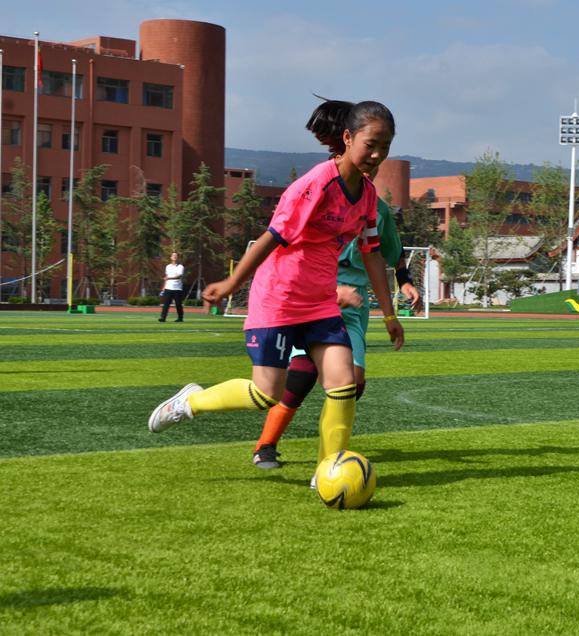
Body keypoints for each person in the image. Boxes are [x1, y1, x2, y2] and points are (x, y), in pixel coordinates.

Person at [148, 99, 404, 481]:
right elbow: (271, 237)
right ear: (348, 138)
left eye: (385, 146)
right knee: (264, 394)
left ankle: (328, 471)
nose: (377, 154)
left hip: (320, 304)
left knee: (343, 383)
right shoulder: (315, 185)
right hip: (280, 298)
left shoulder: (366, 195)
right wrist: (232, 283)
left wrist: (389, 314)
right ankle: (191, 402)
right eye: (371, 144)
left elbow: (372, 254)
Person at [251, 166, 421, 470]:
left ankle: (329, 460)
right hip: (312, 294)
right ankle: (265, 445)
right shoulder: (321, 192)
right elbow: (290, 244)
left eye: (377, 158)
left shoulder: (378, 209)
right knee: (301, 376)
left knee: (353, 382)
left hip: (354, 306)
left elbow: (392, 253)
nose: (369, 163)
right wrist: (329, 289)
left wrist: (404, 282)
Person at [158, 252, 185, 322]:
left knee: (178, 304)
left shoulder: (180, 266)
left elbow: (179, 276)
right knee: (166, 304)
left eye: (176, 255)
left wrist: (169, 278)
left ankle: (180, 318)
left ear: (178, 258)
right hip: (168, 288)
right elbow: (166, 277)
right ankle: (163, 317)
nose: (174, 256)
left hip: (177, 288)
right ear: (170, 257)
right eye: (173, 255)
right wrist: (164, 287)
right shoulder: (168, 266)